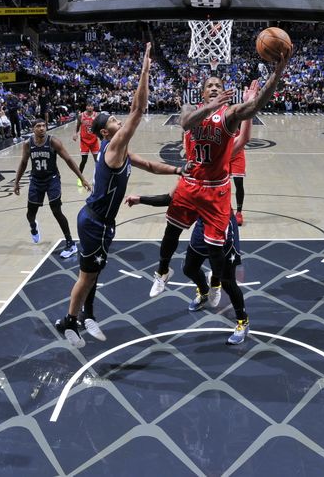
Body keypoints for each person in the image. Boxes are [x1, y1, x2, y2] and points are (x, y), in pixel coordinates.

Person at [55, 42, 189, 348]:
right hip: (94, 221)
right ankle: (69, 322)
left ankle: (86, 315)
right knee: (87, 276)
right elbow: (139, 110)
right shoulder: (112, 148)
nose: (118, 121)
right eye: (113, 121)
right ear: (105, 133)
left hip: (102, 222)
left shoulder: (123, 151)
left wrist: (178, 171)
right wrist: (144, 68)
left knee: (92, 272)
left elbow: (151, 166)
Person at [149, 49, 291, 301]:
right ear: (203, 93)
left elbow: (257, 104)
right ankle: (162, 271)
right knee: (170, 232)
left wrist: (277, 72)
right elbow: (185, 122)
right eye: (209, 86)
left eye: (218, 85)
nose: (214, 87)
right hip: (190, 183)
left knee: (216, 252)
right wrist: (210, 107)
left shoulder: (229, 114)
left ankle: (215, 284)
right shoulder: (190, 106)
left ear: (224, 91)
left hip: (215, 189)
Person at [125, 189, 249, 344]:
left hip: (222, 226)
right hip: (203, 224)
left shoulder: (216, 176)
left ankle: (242, 322)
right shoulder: (190, 175)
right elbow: (169, 198)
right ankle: (204, 291)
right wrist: (140, 199)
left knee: (228, 281)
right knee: (189, 268)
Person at [13, 119, 91, 259]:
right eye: (38, 126)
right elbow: (24, 162)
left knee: (56, 210)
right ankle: (33, 225)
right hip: (36, 181)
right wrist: (16, 182)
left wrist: (82, 178)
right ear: (33, 129)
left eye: (44, 126)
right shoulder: (27, 144)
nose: (42, 128)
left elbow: (68, 160)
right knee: (30, 213)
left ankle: (70, 243)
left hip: (52, 180)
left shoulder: (53, 142)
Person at [229, 81, 257, 226]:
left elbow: (247, 116)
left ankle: (239, 212)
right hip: (224, 152)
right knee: (222, 183)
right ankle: (227, 209)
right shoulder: (220, 115)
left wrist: (249, 102)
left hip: (237, 151)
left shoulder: (238, 115)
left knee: (238, 183)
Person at [73, 103, 101, 187]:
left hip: (94, 141)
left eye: (91, 106)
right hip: (84, 141)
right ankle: (80, 178)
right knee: (84, 161)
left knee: (98, 161)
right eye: (88, 106)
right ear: (86, 107)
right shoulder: (81, 116)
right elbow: (78, 126)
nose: (90, 107)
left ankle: (98, 178)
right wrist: (75, 133)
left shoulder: (97, 115)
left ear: (93, 107)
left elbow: (99, 126)